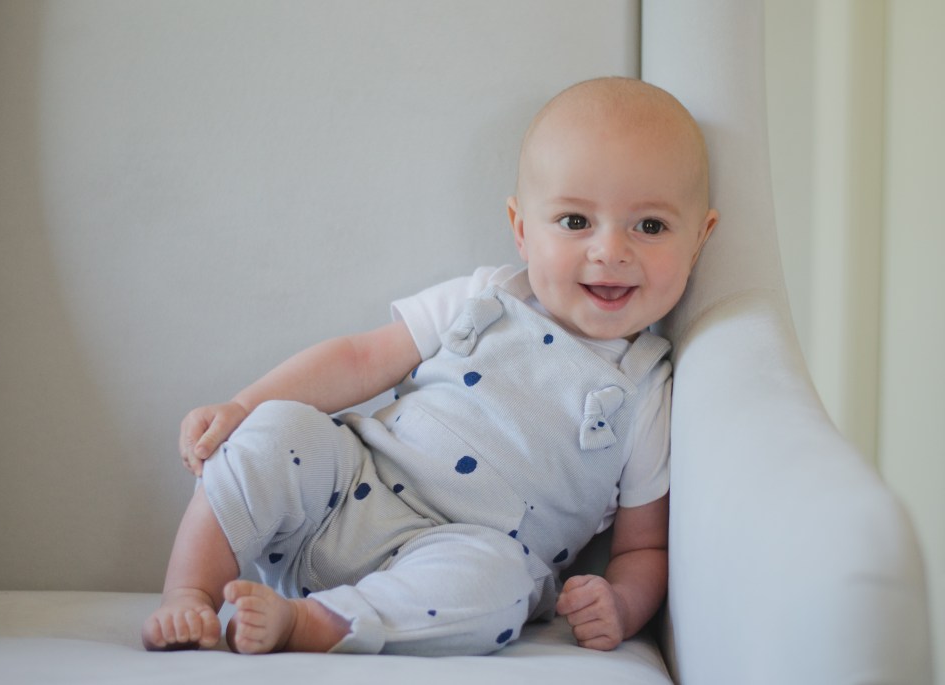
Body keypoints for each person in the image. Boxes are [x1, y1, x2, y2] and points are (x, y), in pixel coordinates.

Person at [141, 76, 719, 656]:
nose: (610, 251)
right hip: (348, 486)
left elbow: (643, 548)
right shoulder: (484, 299)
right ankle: (189, 594)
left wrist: (621, 602)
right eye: (575, 221)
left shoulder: (646, 390)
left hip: (457, 558)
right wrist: (244, 405)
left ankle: (311, 623)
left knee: (501, 584)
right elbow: (359, 359)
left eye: (650, 226)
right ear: (522, 230)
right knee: (276, 425)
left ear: (698, 240)